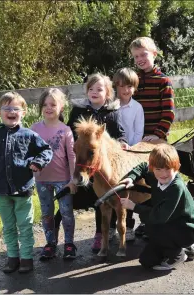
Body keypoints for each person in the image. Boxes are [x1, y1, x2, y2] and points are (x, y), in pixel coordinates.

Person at [0, 92, 53, 274]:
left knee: (25, 226)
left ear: (24, 113)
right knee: (8, 226)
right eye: (7, 108)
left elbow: (46, 150)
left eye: (16, 108)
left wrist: (38, 162)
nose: (11, 111)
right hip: (0, 191)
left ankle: (26, 258)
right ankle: (12, 257)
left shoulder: (29, 135)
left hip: (23, 190)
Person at [54, 73, 128, 253]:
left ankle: (99, 234)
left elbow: (119, 132)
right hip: (82, 161)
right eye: (91, 89)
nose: (94, 92)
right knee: (75, 195)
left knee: (102, 197)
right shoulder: (79, 111)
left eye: (99, 89)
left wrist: (123, 141)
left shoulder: (112, 112)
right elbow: (70, 133)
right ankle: (56, 232)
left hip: (102, 165)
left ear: (108, 92)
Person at [120, 143, 194, 271]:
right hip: (170, 223)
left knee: (152, 226)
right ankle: (185, 247)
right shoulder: (156, 175)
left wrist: (133, 206)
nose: (163, 174)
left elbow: (159, 217)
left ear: (177, 167)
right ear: (153, 168)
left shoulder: (176, 187)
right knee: (147, 261)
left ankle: (178, 254)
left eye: (167, 169)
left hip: (187, 228)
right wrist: (131, 177)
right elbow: (143, 166)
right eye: (158, 169)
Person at [129, 36, 175, 236]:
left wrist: (157, 134)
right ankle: (139, 219)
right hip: (136, 138)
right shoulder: (135, 81)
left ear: (154, 54)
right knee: (136, 181)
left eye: (144, 54)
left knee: (156, 179)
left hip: (156, 139)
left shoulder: (163, 81)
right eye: (136, 56)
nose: (140, 59)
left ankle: (157, 219)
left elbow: (169, 113)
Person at [31, 88, 77, 260]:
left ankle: (69, 243)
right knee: (46, 213)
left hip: (63, 180)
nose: (48, 108)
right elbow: (29, 153)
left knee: (66, 212)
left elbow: (72, 156)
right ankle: (50, 243)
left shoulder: (65, 130)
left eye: (53, 104)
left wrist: (73, 179)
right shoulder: (34, 129)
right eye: (45, 104)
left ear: (61, 108)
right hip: (42, 180)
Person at [113, 67, 144, 241]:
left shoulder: (137, 108)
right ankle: (111, 226)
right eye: (122, 86)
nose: (126, 90)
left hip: (130, 152)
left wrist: (131, 149)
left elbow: (138, 131)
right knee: (113, 190)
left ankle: (129, 225)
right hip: (114, 154)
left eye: (130, 86)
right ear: (116, 86)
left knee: (130, 190)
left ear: (135, 87)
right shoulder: (112, 106)